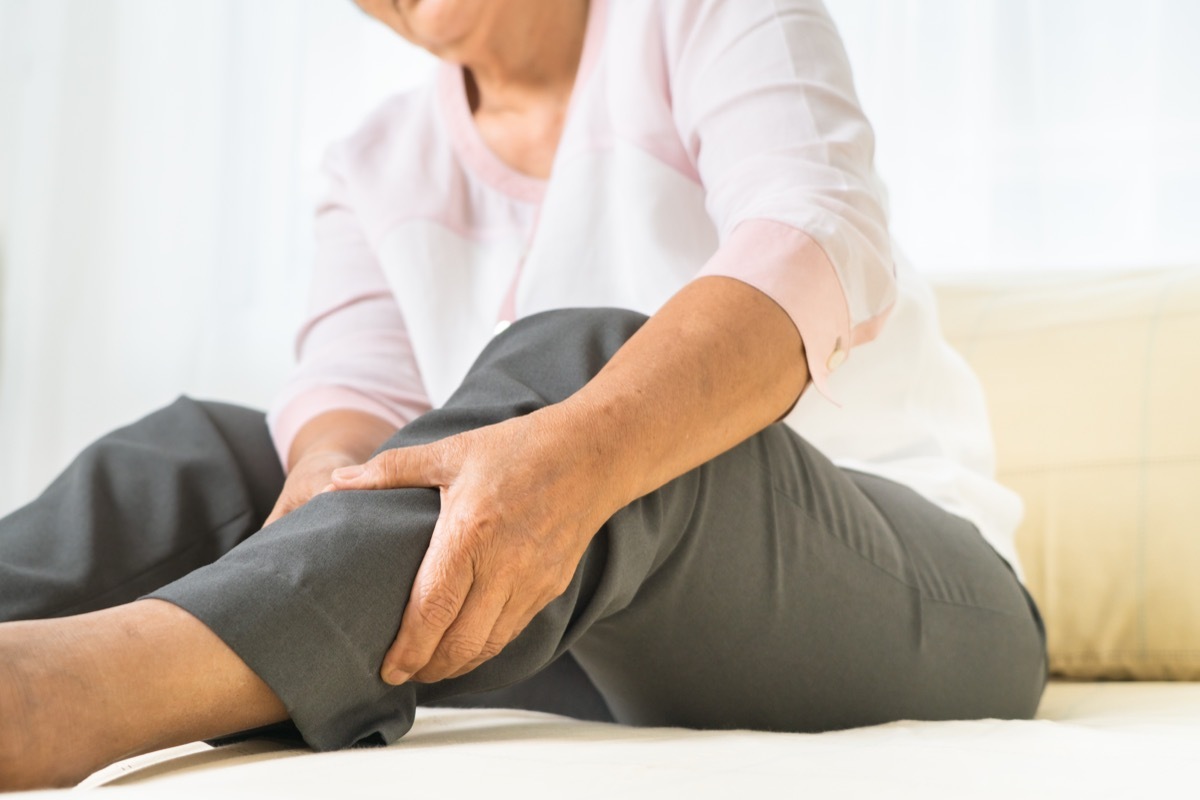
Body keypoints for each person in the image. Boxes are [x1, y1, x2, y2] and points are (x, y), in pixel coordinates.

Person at [0, 0, 1048, 790]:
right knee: (218, 455)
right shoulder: (371, 162)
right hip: (566, 629)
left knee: (588, 376)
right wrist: (326, 473)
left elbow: (819, 230)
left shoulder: (705, 16)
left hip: (917, 596)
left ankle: (72, 693)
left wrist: (581, 449)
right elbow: (353, 387)